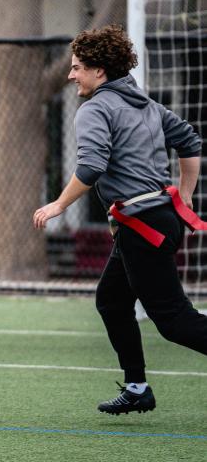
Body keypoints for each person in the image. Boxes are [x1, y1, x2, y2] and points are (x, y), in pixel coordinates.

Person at [33, 25, 207, 415]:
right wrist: (186, 197)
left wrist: (59, 205)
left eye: (77, 67)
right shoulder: (147, 105)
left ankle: (137, 385)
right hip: (154, 221)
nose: (70, 74)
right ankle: (137, 387)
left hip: (143, 227)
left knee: (174, 322)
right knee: (111, 300)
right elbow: (190, 142)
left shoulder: (94, 109)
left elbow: (91, 165)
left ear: (100, 72)